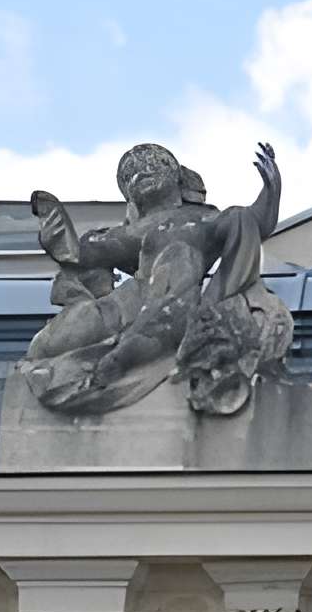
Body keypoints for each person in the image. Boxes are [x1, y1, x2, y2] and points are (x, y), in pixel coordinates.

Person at [20, 140, 287, 416]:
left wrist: (270, 193)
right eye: (129, 173)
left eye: (154, 163)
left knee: (176, 259)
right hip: (129, 301)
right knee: (50, 342)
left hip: (173, 297)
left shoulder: (200, 218)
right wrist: (55, 232)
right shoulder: (134, 230)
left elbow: (248, 221)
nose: (141, 172)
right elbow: (81, 253)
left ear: (176, 175)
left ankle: (121, 359)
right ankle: (105, 360)